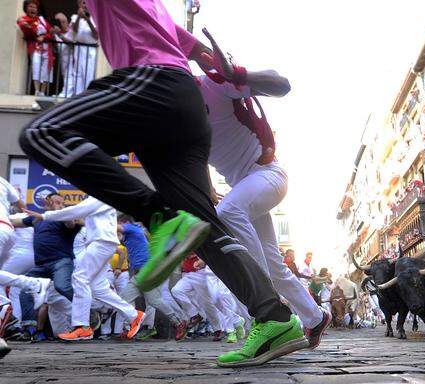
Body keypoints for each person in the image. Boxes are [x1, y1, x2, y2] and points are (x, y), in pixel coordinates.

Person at [18, 0, 301, 367]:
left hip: (151, 84)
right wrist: (209, 57)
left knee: (44, 132)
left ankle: (158, 217)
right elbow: (195, 49)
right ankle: (275, 318)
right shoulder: (155, 9)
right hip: (185, 104)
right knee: (202, 225)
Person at [197, 32, 330, 355]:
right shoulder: (179, 114)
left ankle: (269, 308)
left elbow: (281, 84)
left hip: (268, 175)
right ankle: (314, 317)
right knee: (272, 262)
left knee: (228, 213)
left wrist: (236, 73)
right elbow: (195, 153)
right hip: (246, 186)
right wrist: (209, 186)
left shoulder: (213, 83)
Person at [25, 196, 146, 341]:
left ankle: (82, 326)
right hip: (104, 243)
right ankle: (133, 315)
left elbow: (77, 211)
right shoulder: (101, 200)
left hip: (101, 242)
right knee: (98, 288)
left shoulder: (98, 198)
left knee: (79, 278)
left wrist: (45, 215)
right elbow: (79, 216)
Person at [10, 193, 78, 340]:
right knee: (25, 287)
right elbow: (16, 222)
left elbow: (70, 223)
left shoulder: (64, 218)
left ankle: (87, 312)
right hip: (41, 266)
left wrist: (60, 211)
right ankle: (29, 328)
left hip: (61, 261)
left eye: (62, 203)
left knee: (62, 286)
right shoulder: (37, 218)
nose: (60, 205)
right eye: (57, 202)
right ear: (47, 201)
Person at [116, 215, 186, 340]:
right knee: (124, 298)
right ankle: (130, 327)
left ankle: (178, 322)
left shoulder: (132, 228)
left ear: (124, 222)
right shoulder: (131, 234)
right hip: (140, 274)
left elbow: (117, 228)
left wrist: (100, 220)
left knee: (155, 300)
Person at [16, 0, 54, 96]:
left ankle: (42, 91)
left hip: (46, 48)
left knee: (46, 69)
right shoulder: (23, 20)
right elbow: (28, 31)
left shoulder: (41, 19)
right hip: (36, 48)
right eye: (30, 7)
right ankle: (37, 91)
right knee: (36, 66)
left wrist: (44, 37)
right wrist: (27, 25)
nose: (33, 9)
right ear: (26, 8)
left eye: (35, 7)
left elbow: (51, 31)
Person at [70, 0, 98, 93]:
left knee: (88, 73)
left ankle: (86, 95)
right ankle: (77, 95)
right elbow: (74, 30)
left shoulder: (95, 18)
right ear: (79, 4)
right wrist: (79, 17)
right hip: (79, 48)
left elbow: (96, 35)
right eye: (83, 2)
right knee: (77, 73)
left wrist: (88, 20)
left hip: (90, 49)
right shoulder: (74, 17)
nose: (85, 5)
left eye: (87, 3)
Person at [52, 13, 76, 98]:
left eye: (64, 22)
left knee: (70, 76)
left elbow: (72, 44)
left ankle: (66, 94)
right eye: (60, 22)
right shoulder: (56, 34)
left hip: (72, 59)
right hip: (63, 60)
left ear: (67, 22)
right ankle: (65, 92)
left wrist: (60, 35)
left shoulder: (72, 31)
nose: (62, 24)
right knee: (65, 76)